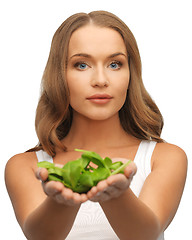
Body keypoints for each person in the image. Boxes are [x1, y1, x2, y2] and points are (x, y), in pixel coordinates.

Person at [5, 11, 187, 240]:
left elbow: (146, 233)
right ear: (59, 75)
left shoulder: (164, 157)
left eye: (114, 64)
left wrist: (116, 196)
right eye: (81, 65)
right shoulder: (26, 166)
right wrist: (63, 201)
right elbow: (40, 235)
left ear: (131, 74)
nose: (100, 80)